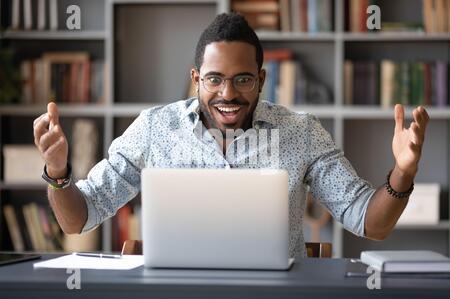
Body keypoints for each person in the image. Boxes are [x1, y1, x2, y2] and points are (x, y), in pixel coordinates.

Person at [33, 13, 429, 258]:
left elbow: (370, 224)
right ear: (196, 80)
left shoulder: (302, 132)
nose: (227, 94)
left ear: (260, 79)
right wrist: (57, 170)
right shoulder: (154, 128)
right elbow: (78, 219)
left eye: (242, 79)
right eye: (214, 79)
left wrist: (402, 174)